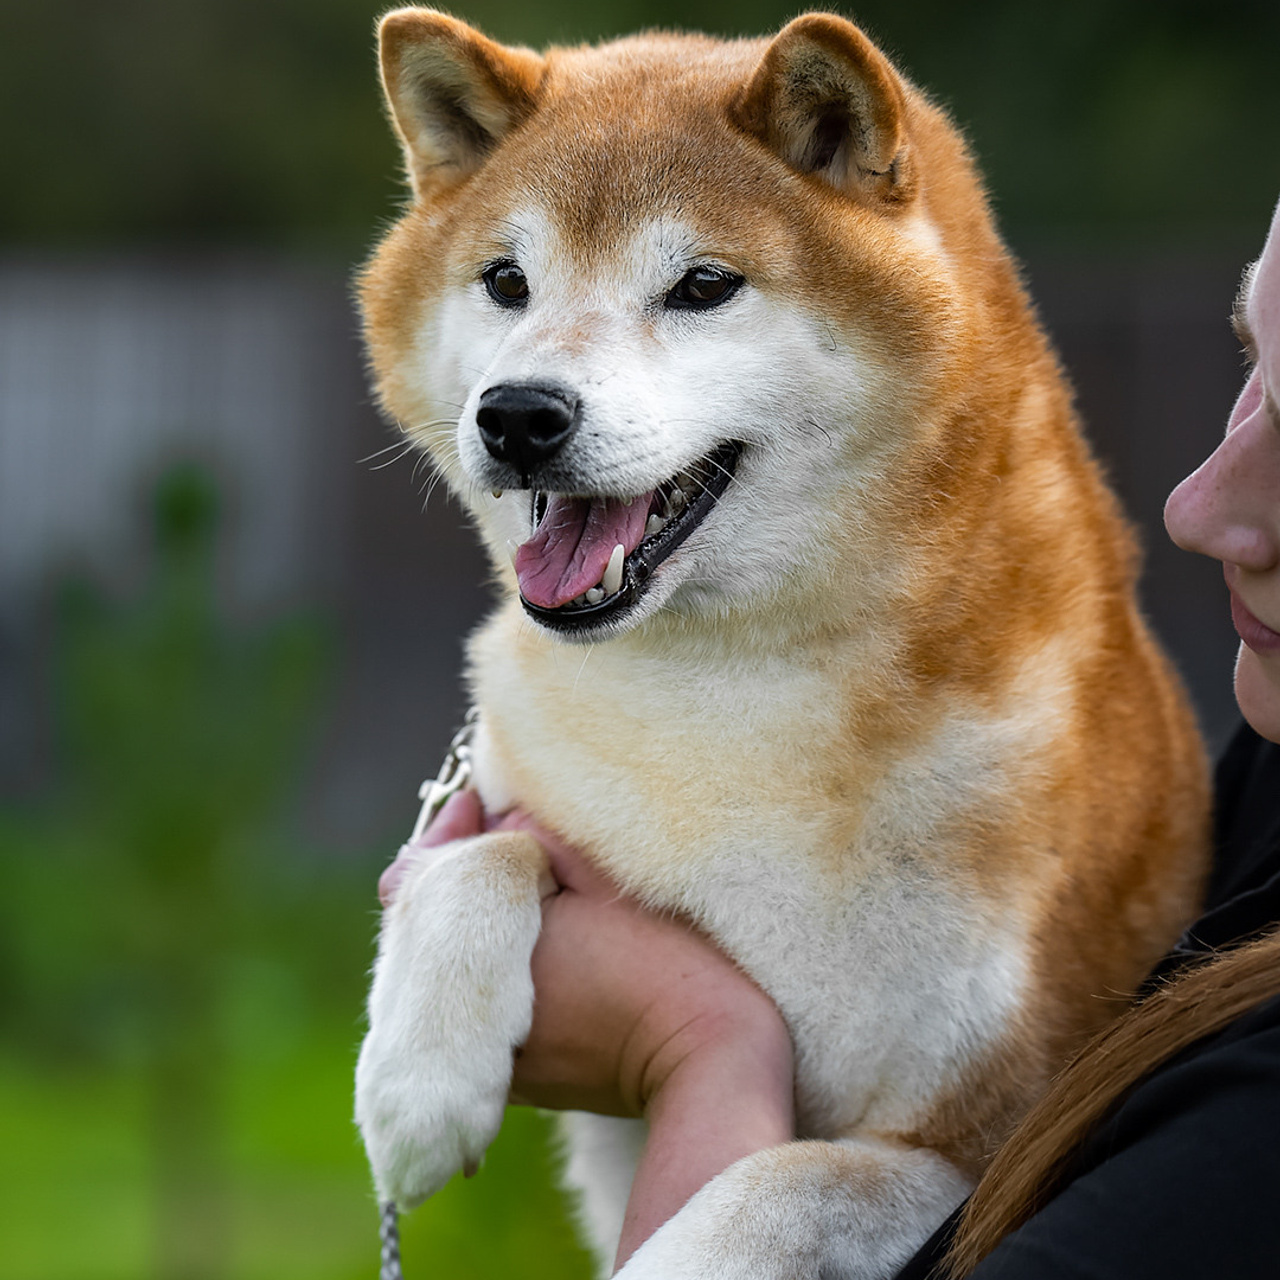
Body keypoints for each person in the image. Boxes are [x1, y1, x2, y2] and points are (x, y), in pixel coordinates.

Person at [381, 194, 1280, 1277]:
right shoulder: (1261, 786)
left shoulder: (1241, 1149)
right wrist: (476, 887)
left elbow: (968, 1170)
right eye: (1248, 359)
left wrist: (698, 1046)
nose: (1194, 506)